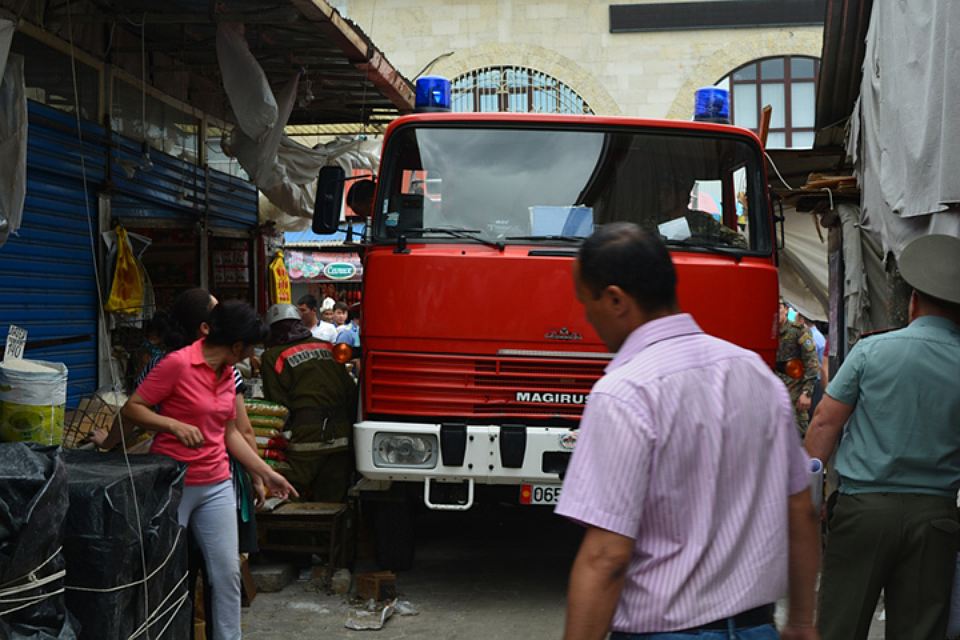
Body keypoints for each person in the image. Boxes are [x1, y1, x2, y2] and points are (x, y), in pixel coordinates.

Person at [556, 223, 819, 640]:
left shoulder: (625, 392)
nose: (587, 318)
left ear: (616, 300)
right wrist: (802, 622)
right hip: (757, 629)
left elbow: (606, 556)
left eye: (587, 303)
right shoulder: (754, 373)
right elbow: (801, 508)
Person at [804, 234, 960, 640]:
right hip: (936, 517)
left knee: (840, 625)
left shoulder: (872, 351)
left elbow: (824, 422)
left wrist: (811, 497)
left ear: (912, 302)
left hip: (863, 513)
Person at [122, 300, 297, 640]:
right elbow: (133, 409)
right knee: (167, 573)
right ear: (236, 346)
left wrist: (265, 472)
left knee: (227, 573)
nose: (250, 356)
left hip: (217, 483)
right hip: (175, 484)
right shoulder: (177, 364)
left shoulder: (228, 374)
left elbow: (230, 432)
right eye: (250, 348)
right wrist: (172, 425)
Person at [260, 303, 358, 503]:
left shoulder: (272, 356)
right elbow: (350, 389)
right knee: (333, 502)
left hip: (305, 440)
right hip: (341, 436)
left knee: (292, 496)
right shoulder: (327, 347)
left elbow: (276, 404)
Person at [776, 299, 820, 436]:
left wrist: (806, 393)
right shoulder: (765, 333)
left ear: (786, 310)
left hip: (795, 395)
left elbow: (811, 363)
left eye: (779, 307)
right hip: (774, 393)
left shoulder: (798, 331)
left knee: (797, 436)